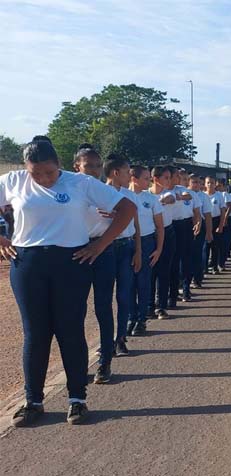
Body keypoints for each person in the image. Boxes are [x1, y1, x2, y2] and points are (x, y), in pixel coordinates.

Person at [3, 136, 135, 426]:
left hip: (71, 263)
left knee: (70, 330)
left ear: (59, 164)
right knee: (35, 333)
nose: (43, 179)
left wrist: (100, 245)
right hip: (28, 265)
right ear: (26, 167)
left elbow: (127, 208)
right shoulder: (13, 181)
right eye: (36, 173)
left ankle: (77, 399)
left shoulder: (80, 183)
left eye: (49, 172)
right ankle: (33, 401)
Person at [76, 148, 141, 376]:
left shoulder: (107, 192)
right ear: (77, 167)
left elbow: (129, 213)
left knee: (104, 305)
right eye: (88, 166)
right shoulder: (70, 189)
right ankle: (78, 364)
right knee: (76, 309)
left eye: (97, 166)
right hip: (78, 250)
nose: (94, 171)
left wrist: (105, 242)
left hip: (104, 249)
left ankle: (106, 359)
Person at [128, 166, 164, 338]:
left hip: (147, 242)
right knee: (128, 284)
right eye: (145, 178)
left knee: (143, 282)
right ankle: (131, 318)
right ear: (134, 179)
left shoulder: (151, 199)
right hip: (127, 242)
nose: (149, 181)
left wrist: (159, 249)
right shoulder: (122, 196)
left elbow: (160, 226)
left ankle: (141, 320)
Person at [149, 166, 177, 320]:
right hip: (149, 235)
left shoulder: (168, 193)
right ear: (155, 179)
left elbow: (170, 198)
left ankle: (161, 306)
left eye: (169, 177)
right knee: (150, 272)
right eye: (166, 177)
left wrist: (161, 200)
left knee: (163, 271)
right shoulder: (145, 194)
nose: (169, 180)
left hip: (167, 234)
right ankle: (149, 306)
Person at [169, 169, 196, 305]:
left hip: (184, 225)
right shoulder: (161, 191)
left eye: (184, 178)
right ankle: (170, 293)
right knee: (171, 261)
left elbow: (188, 196)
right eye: (178, 177)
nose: (181, 180)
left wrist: (178, 197)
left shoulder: (181, 190)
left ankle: (185, 289)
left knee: (185, 259)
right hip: (168, 226)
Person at [188, 175, 213, 288]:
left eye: (199, 182)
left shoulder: (203, 197)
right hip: (186, 225)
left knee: (197, 253)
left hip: (199, 226)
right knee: (186, 254)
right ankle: (184, 279)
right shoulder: (184, 194)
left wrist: (209, 232)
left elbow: (207, 215)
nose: (197, 184)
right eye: (194, 182)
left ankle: (197, 278)